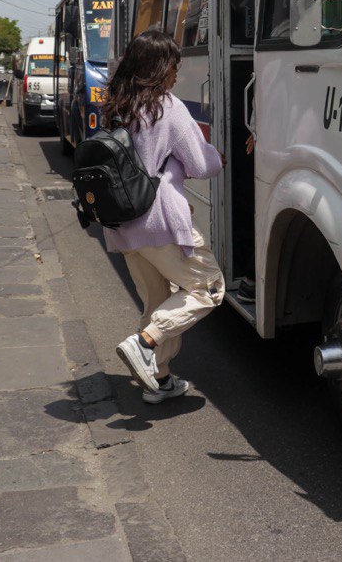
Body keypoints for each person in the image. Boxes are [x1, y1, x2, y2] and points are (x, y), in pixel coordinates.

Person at [104, 30, 225, 404]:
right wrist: (216, 153)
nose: (177, 74)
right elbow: (203, 165)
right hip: (158, 222)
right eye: (174, 66)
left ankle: (159, 379)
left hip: (122, 225)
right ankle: (145, 343)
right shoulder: (168, 108)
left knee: (156, 301)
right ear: (159, 68)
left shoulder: (117, 106)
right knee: (208, 287)